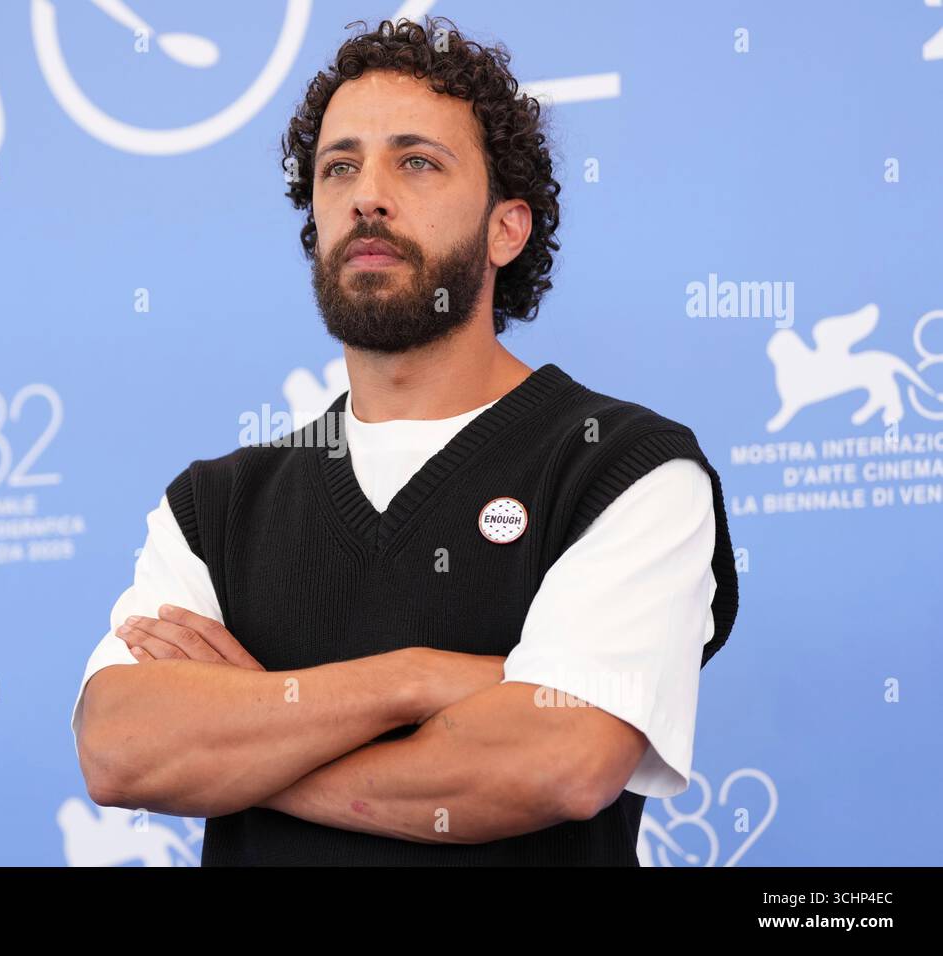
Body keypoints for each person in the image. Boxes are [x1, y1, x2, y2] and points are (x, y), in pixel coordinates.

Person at [71, 16, 739, 866]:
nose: (368, 196)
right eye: (339, 167)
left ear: (506, 229)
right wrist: (415, 678)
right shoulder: (215, 506)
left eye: (417, 162)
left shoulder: (624, 468)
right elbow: (121, 747)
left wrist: (242, 746)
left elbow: (558, 762)